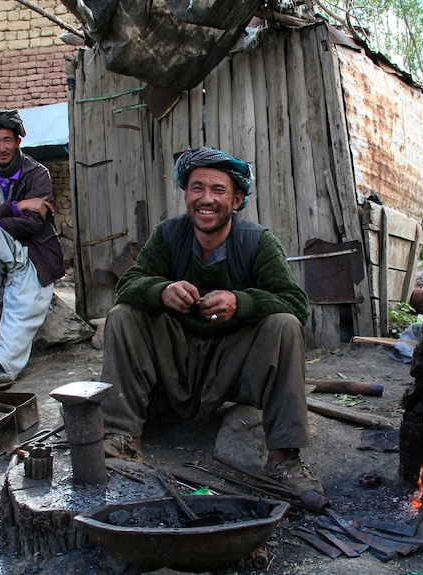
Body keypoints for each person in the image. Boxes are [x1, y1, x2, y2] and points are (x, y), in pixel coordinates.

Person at [99, 146, 325, 502]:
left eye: (218, 190)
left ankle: (284, 461)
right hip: (174, 365)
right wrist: (161, 290)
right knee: (123, 315)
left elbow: (296, 304)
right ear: (186, 194)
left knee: (284, 324)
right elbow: (127, 285)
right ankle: (121, 442)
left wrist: (242, 301)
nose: (206, 199)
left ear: (236, 200)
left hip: (231, 370)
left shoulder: (257, 242)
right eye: (196, 188)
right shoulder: (168, 235)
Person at [0, 110, 65, 388]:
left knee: (26, 298)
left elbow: (32, 224)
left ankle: (3, 365)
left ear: (18, 142)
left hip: (34, 252)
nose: (1, 147)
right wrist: (18, 205)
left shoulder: (37, 173)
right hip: (0, 258)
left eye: (7, 140)